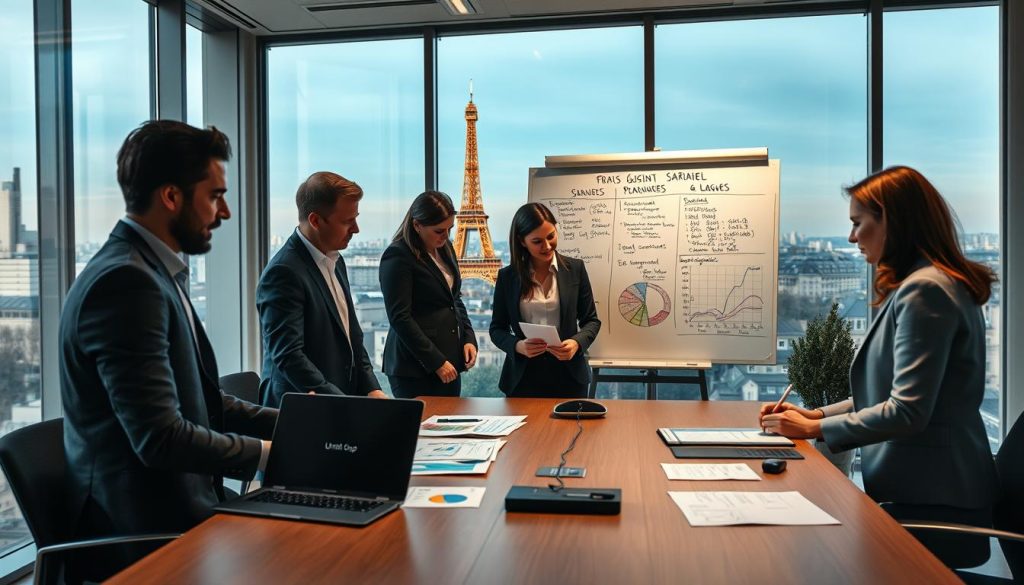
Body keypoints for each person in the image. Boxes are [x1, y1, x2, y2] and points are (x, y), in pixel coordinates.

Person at [60, 120, 278, 581]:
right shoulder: (126, 283)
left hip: (185, 514)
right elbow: (160, 437)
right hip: (147, 537)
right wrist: (267, 454)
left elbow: (203, 403)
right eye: (215, 195)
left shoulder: (152, 272)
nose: (226, 213)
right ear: (172, 197)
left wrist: (305, 425)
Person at [760, 166, 997, 563]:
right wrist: (815, 413)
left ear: (894, 221)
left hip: (931, 502)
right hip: (926, 492)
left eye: (858, 223)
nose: (852, 237)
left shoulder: (926, 291)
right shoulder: (930, 283)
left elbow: (907, 411)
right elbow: (888, 393)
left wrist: (815, 428)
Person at [258, 172, 386, 407]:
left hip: (336, 405)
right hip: (301, 412)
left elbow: (353, 338)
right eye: (348, 221)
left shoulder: (336, 260)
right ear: (315, 221)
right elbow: (289, 357)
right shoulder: (283, 272)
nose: (356, 229)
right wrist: (343, 403)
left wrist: (372, 389)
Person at [490, 202, 601, 397]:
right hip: (523, 378)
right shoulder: (508, 277)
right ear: (522, 241)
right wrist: (518, 346)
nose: (547, 246)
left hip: (569, 376)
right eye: (537, 241)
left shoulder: (575, 269)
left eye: (551, 236)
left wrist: (576, 343)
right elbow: (497, 328)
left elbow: (591, 321)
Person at [379, 191, 477, 398]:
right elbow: (400, 318)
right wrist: (436, 362)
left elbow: (454, 297)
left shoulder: (444, 247)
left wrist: (468, 338)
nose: (446, 236)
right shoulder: (398, 255)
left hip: (449, 360)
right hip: (414, 367)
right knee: (419, 428)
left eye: (450, 229)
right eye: (439, 231)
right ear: (417, 225)